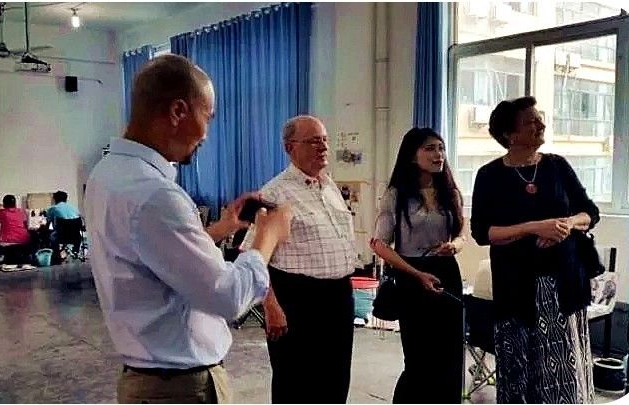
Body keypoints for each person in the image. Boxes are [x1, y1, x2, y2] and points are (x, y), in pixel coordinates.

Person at [84, 54, 292, 404]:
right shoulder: (156, 195)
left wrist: (220, 229)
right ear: (178, 111)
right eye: (207, 117)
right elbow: (228, 298)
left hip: (148, 377)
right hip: (180, 387)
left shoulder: (107, 174)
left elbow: (152, 254)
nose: (206, 135)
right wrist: (267, 238)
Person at [470, 96, 598, 403]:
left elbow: (589, 213)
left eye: (539, 118)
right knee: (519, 374)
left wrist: (566, 224)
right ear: (510, 134)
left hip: (562, 286)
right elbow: (482, 232)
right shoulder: (489, 175)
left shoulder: (557, 166)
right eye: (531, 120)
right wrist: (533, 227)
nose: (540, 124)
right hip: (515, 289)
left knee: (563, 374)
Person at [241, 115, 357, 404]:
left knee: (335, 381)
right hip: (298, 300)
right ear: (290, 147)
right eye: (314, 141)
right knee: (296, 385)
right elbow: (250, 255)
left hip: (339, 297)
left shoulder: (329, 186)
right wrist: (271, 307)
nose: (323, 147)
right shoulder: (275, 193)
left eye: (325, 140)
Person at [369, 127, 466, 404]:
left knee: (450, 357)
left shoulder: (450, 192)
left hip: (447, 274)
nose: (439, 154)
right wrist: (416, 274)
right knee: (420, 359)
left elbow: (461, 234)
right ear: (412, 155)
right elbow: (379, 244)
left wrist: (455, 245)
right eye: (430, 148)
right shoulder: (396, 195)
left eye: (441, 148)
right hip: (412, 276)